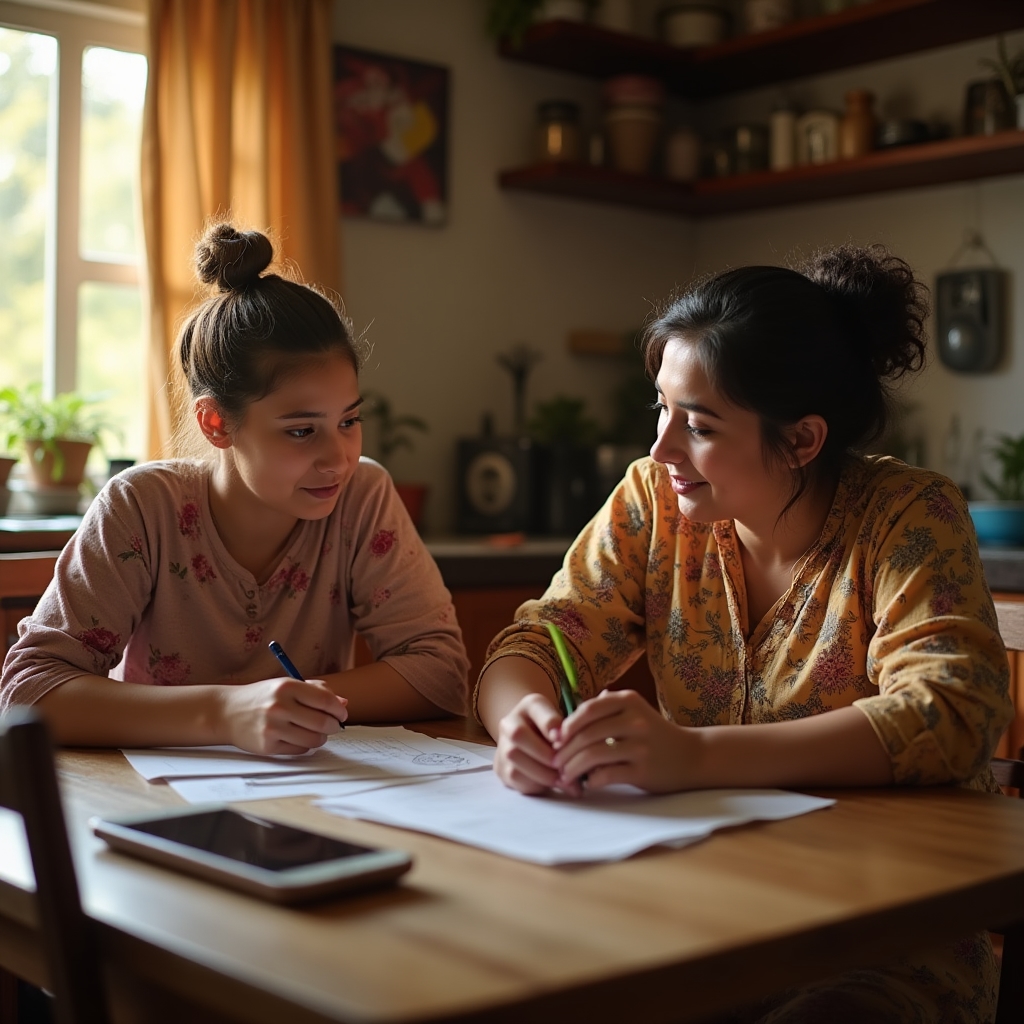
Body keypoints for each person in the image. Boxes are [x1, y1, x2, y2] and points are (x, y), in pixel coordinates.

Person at [476, 244, 1011, 1022]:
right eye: (660, 409)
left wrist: (695, 756)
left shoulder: (906, 514)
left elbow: (951, 714)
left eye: (698, 425)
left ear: (802, 440)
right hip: (699, 909)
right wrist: (523, 721)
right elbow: (538, 639)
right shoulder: (654, 499)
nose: (661, 448)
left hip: (883, 933)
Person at [1, 224, 469, 753]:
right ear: (216, 423)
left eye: (348, 421)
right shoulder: (142, 508)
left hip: (313, 789)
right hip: (149, 792)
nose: (339, 458)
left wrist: (291, 706)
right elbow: (29, 692)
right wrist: (226, 713)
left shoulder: (362, 495)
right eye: (301, 431)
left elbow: (441, 673)